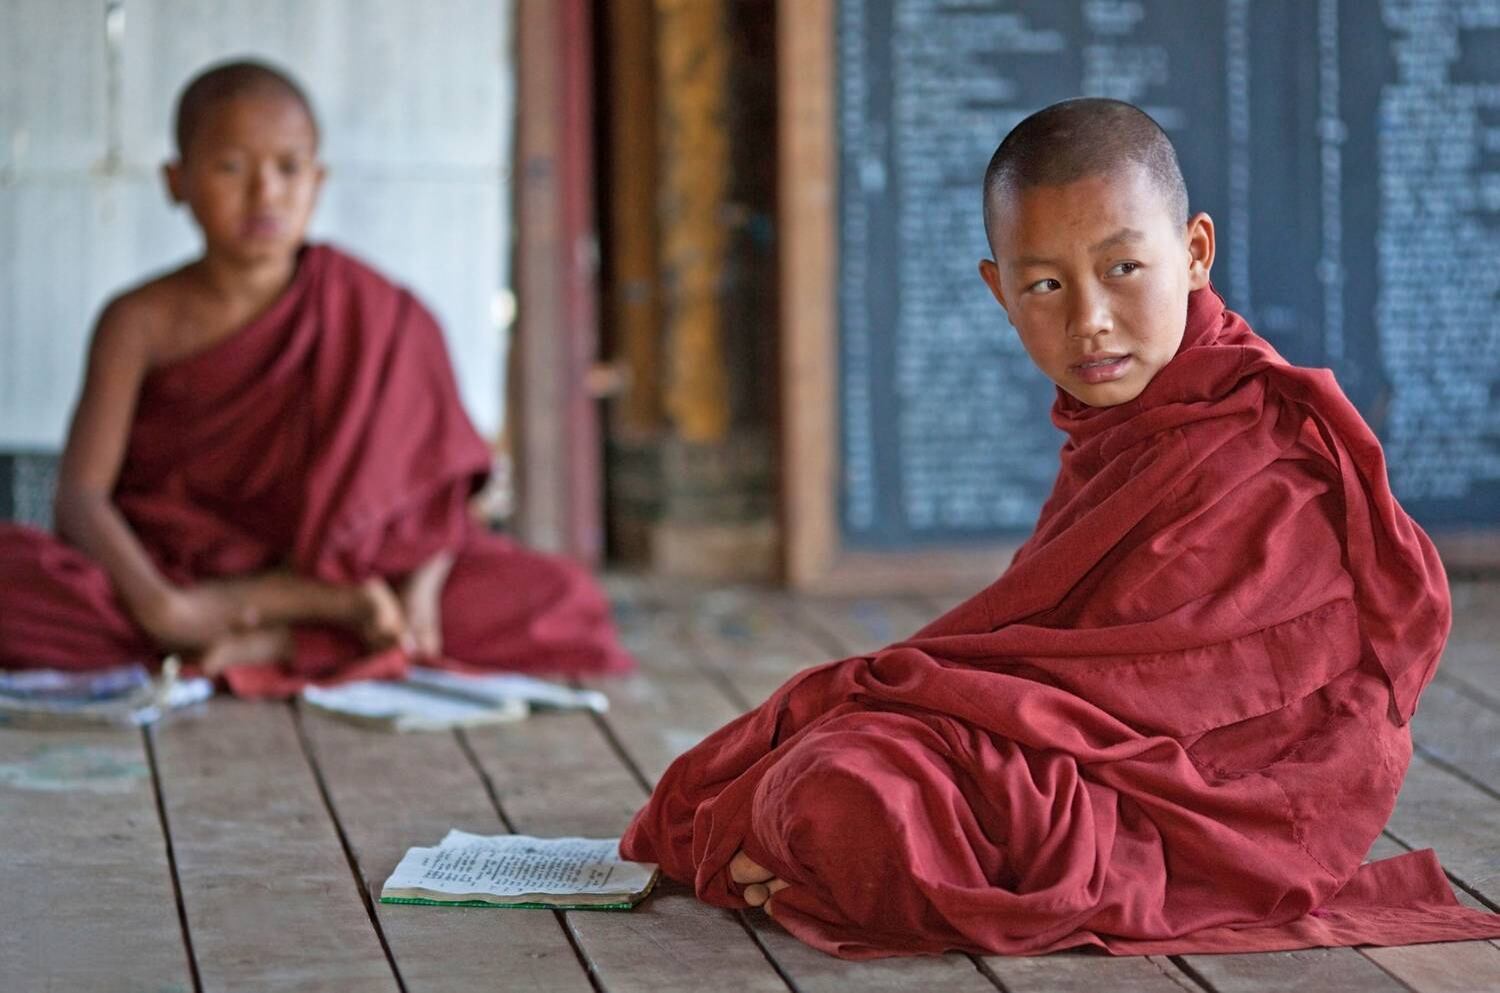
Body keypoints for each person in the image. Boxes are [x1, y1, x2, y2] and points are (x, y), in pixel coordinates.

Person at [620, 98, 1500, 957]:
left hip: (1228, 803)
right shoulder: (1120, 427)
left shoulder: (1259, 449)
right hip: (1087, 756)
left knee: (841, 797)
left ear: (1194, 252)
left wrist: (912, 730)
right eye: (1045, 284)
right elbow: (1054, 666)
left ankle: (832, 851)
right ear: (998, 290)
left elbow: (1163, 706)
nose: (1089, 320)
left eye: (1123, 269)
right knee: (817, 768)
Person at [0, 59, 632, 697]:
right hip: (184, 568)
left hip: (357, 571)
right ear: (176, 180)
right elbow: (81, 498)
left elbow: (438, 497)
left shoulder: (380, 312)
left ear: (318, 180)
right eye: (230, 167)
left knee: (562, 598)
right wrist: (166, 608)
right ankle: (312, 615)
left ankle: (281, 634)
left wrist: (423, 591)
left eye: (288, 168)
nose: (264, 193)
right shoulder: (137, 320)